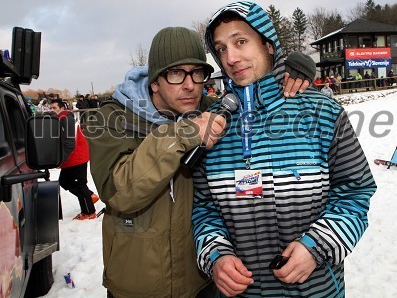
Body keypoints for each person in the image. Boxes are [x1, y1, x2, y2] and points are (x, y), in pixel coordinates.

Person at [83, 26, 312, 298]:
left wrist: (292, 70)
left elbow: (253, 86)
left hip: (202, 282)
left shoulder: (215, 113)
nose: (190, 84)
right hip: (137, 287)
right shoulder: (112, 118)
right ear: (155, 81)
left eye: (198, 73)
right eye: (176, 73)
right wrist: (181, 135)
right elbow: (119, 193)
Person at [192, 1, 377, 298]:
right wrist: (217, 256)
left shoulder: (322, 112)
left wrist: (317, 246)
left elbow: (355, 193)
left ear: (268, 45)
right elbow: (204, 208)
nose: (231, 57)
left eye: (240, 41)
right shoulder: (213, 127)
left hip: (316, 289)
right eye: (221, 48)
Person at [49, 99, 99, 220]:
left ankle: (89, 212)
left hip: (77, 157)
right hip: (72, 157)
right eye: (50, 108)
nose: (52, 110)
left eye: (54, 108)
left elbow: (69, 143)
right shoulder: (60, 118)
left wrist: (61, 160)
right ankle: (90, 196)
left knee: (79, 184)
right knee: (64, 182)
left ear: (61, 108)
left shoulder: (66, 118)